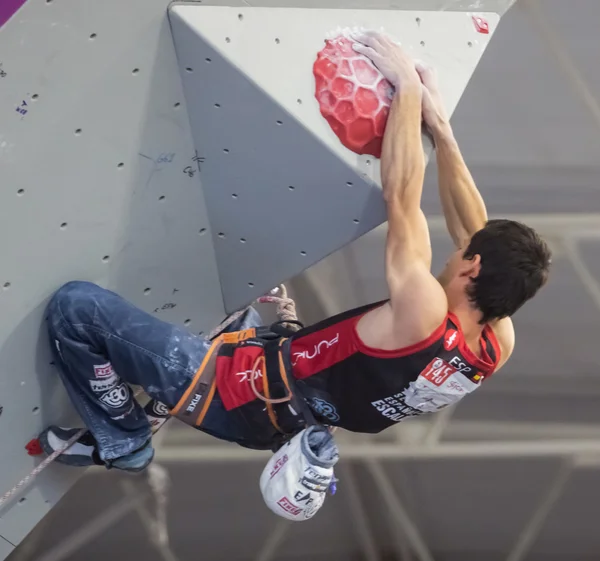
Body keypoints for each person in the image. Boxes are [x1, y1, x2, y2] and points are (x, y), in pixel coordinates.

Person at [39, 31, 551, 473]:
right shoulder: (492, 346)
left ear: (473, 268)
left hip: (237, 390)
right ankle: (148, 392)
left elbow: (403, 195)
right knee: (221, 304)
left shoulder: (425, 311)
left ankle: (124, 438)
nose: (455, 249)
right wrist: (441, 129)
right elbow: (475, 230)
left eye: (464, 252)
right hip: (283, 406)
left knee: (77, 308)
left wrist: (409, 92)